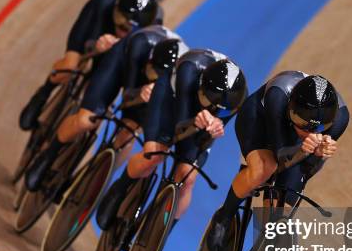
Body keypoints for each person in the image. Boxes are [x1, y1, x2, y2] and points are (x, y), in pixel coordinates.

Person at [96, 50, 248, 233]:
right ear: (201, 87)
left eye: (221, 111)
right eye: (209, 102)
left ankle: (161, 235)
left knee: (188, 177)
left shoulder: (235, 99)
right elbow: (179, 128)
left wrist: (214, 127)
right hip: (172, 99)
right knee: (153, 155)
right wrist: (195, 121)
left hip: (198, 120)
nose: (213, 109)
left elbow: (205, 138)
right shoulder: (189, 70)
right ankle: (119, 189)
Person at [205, 72, 350, 251]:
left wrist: (318, 156)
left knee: (280, 212)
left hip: (295, 147)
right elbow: (279, 154)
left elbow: (307, 170)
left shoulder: (340, 120)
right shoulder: (278, 96)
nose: (307, 131)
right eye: (301, 122)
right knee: (264, 169)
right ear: (291, 108)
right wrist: (305, 150)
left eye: (317, 128)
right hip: (260, 122)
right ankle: (224, 217)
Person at [24, 27, 186, 192]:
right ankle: (48, 156)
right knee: (85, 120)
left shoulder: (182, 83)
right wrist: (139, 92)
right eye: (154, 73)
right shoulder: (140, 46)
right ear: (149, 61)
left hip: (156, 89)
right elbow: (128, 94)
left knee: (127, 135)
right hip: (122, 64)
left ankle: (95, 179)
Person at [18, 0, 162, 131]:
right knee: (70, 65)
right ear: (115, 9)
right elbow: (87, 42)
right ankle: (44, 92)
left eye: (127, 30)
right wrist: (95, 45)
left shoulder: (153, 30)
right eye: (120, 21)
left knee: (99, 95)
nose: (121, 29)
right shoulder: (106, 0)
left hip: (127, 47)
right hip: (101, 25)